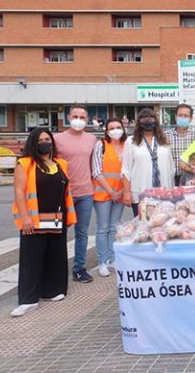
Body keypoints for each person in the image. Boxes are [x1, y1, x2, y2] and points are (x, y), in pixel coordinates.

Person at [11, 128, 76, 317]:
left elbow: (66, 192)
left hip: (57, 218)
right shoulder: (25, 163)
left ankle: (53, 290)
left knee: (56, 254)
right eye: (41, 140)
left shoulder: (61, 163)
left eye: (48, 139)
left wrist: (69, 217)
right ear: (33, 143)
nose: (45, 143)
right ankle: (28, 299)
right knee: (32, 259)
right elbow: (19, 192)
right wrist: (25, 217)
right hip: (34, 219)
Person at [53, 104, 96, 284]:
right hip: (63, 194)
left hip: (86, 193)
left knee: (82, 233)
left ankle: (79, 268)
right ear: (68, 117)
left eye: (82, 117)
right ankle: (56, 269)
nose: (79, 120)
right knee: (58, 232)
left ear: (87, 120)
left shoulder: (92, 139)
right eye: (75, 116)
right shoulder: (57, 139)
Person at [121, 109, 175, 217]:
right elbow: (126, 169)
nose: (148, 121)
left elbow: (171, 168)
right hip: (141, 193)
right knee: (143, 224)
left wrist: (171, 191)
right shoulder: (131, 141)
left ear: (156, 121)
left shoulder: (164, 141)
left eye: (151, 118)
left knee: (162, 224)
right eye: (144, 119)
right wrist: (126, 192)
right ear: (139, 122)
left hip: (163, 193)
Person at [91, 118, 126, 278]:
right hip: (103, 193)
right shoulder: (101, 145)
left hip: (120, 193)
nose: (115, 130)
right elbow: (96, 171)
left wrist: (122, 191)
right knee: (103, 228)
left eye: (118, 127)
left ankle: (113, 259)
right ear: (106, 131)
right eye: (111, 128)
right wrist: (111, 191)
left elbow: (130, 170)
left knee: (114, 227)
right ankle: (102, 261)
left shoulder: (127, 145)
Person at [164, 104, 195, 186]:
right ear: (175, 117)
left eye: (186, 116)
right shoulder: (165, 136)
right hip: (171, 178)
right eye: (180, 115)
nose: (183, 117)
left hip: (191, 177)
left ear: (191, 119)